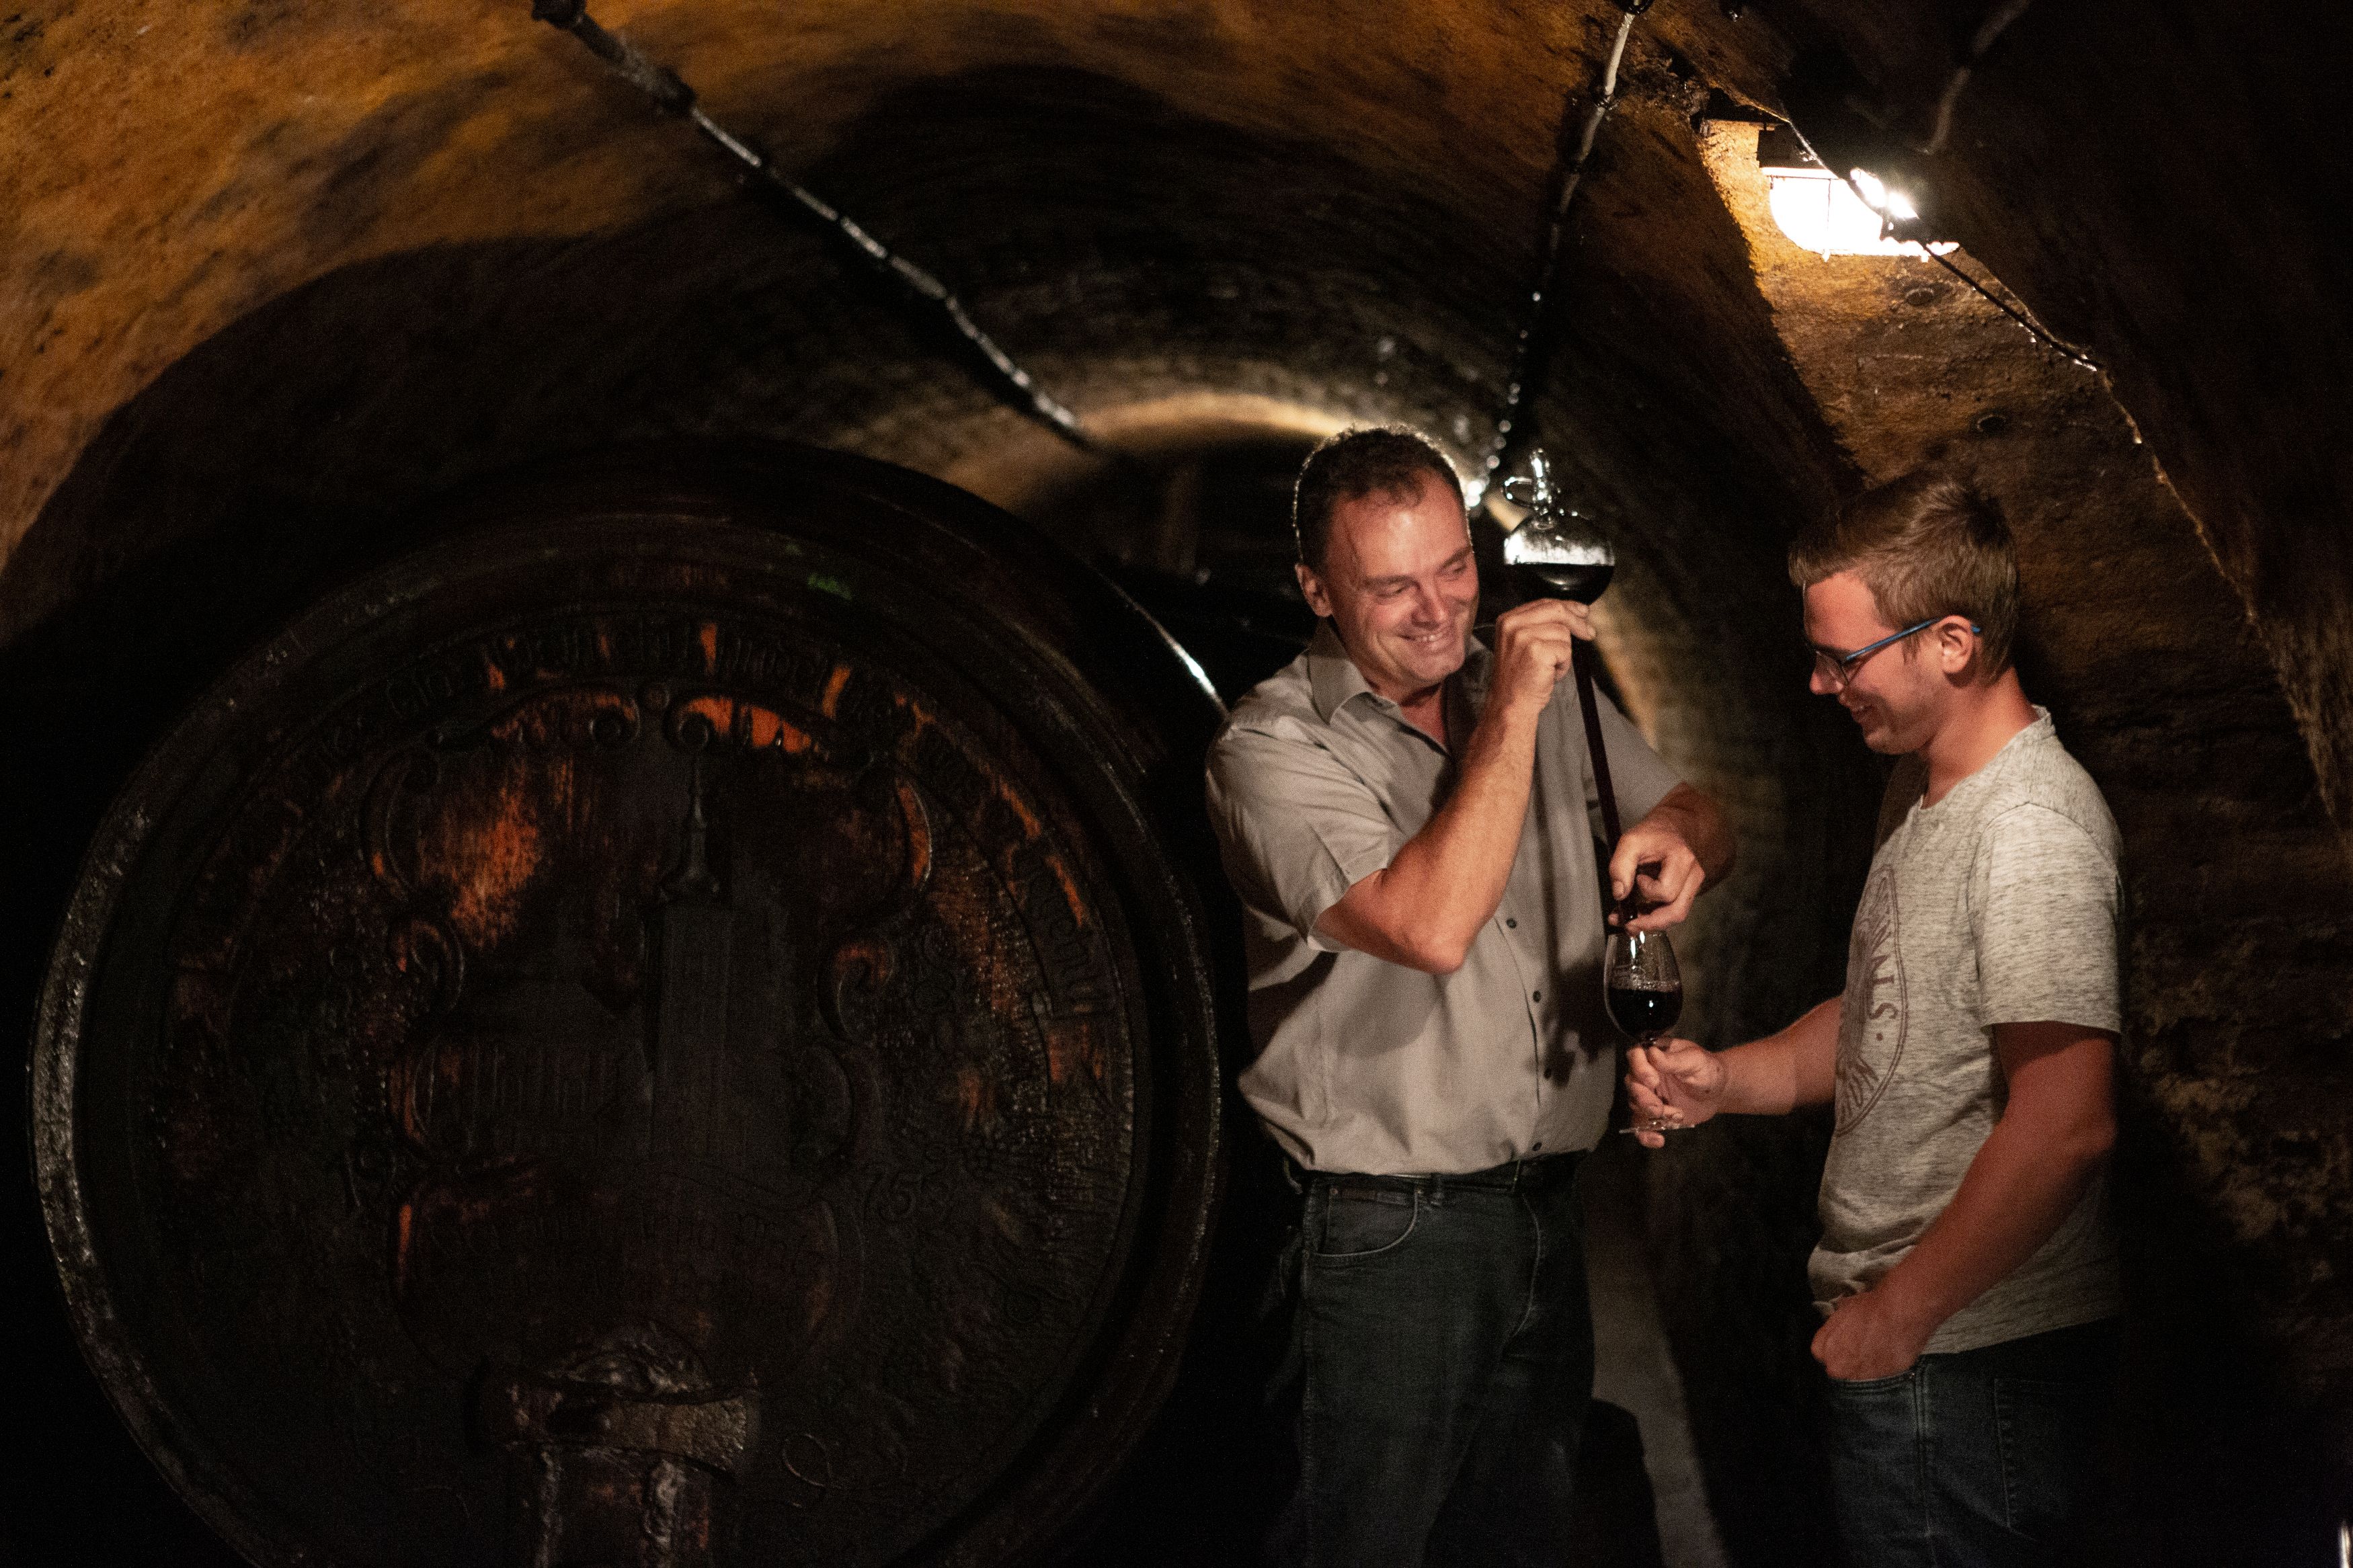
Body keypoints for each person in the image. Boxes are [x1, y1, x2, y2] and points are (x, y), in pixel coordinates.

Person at [1205, 425, 1735, 1567]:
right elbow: (1428, 924)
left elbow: (1698, 808)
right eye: (1392, 585)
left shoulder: (1533, 696)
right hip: (1385, 1238)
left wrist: (1678, 838)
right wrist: (1512, 720)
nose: (1440, 608)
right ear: (1317, 590)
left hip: (1544, 1211)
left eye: (1454, 566)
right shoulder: (1273, 750)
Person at [1626, 465, 2122, 1566]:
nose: (1817, 685)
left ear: (1951, 642)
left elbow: (2068, 1119)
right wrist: (1730, 1079)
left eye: (1842, 658)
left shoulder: (2032, 828)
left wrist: (1896, 1314)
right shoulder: (1924, 790)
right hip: (1928, 1356)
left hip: (1967, 1360)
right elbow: (1888, 1008)